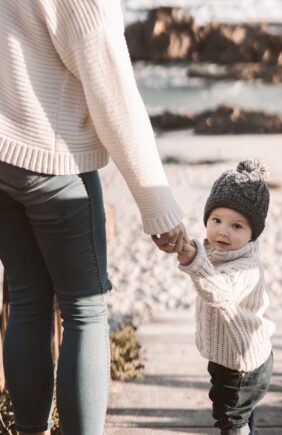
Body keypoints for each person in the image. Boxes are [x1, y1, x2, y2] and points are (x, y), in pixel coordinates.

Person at [0, 1, 186, 434]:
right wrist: (156, 203)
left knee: (28, 297)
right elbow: (113, 94)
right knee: (85, 309)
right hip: (52, 158)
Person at [177, 160, 275, 435]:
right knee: (242, 411)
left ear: (252, 233)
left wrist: (191, 260)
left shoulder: (247, 267)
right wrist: (190, 248)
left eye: (237, 226)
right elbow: (204, 255)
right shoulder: (217, 249)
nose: (223, 231)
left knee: (230, 418)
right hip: (231, 357)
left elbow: (218, 291)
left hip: (242, 366)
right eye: (216, 220)